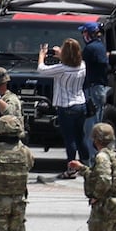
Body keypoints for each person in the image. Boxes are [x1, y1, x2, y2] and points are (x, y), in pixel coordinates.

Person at [35, 39, 87, 175]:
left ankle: (71, 168)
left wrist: (42, 55)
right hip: (80, 104)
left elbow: (41, 70)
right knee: (80, 136)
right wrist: (62, 55)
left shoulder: (62, 69)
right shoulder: (82, 65)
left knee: (69, 139)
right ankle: (86, 164)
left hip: (66, 106)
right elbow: (71, 60)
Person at [79, 22, 110, 153]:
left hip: (92, 91)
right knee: (97, 127)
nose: (83, 35)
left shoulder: (90, 49)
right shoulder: (100, 47)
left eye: (84, 32)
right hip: (99, 90)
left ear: (90, 33)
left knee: (90, 129)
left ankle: (92, 162)